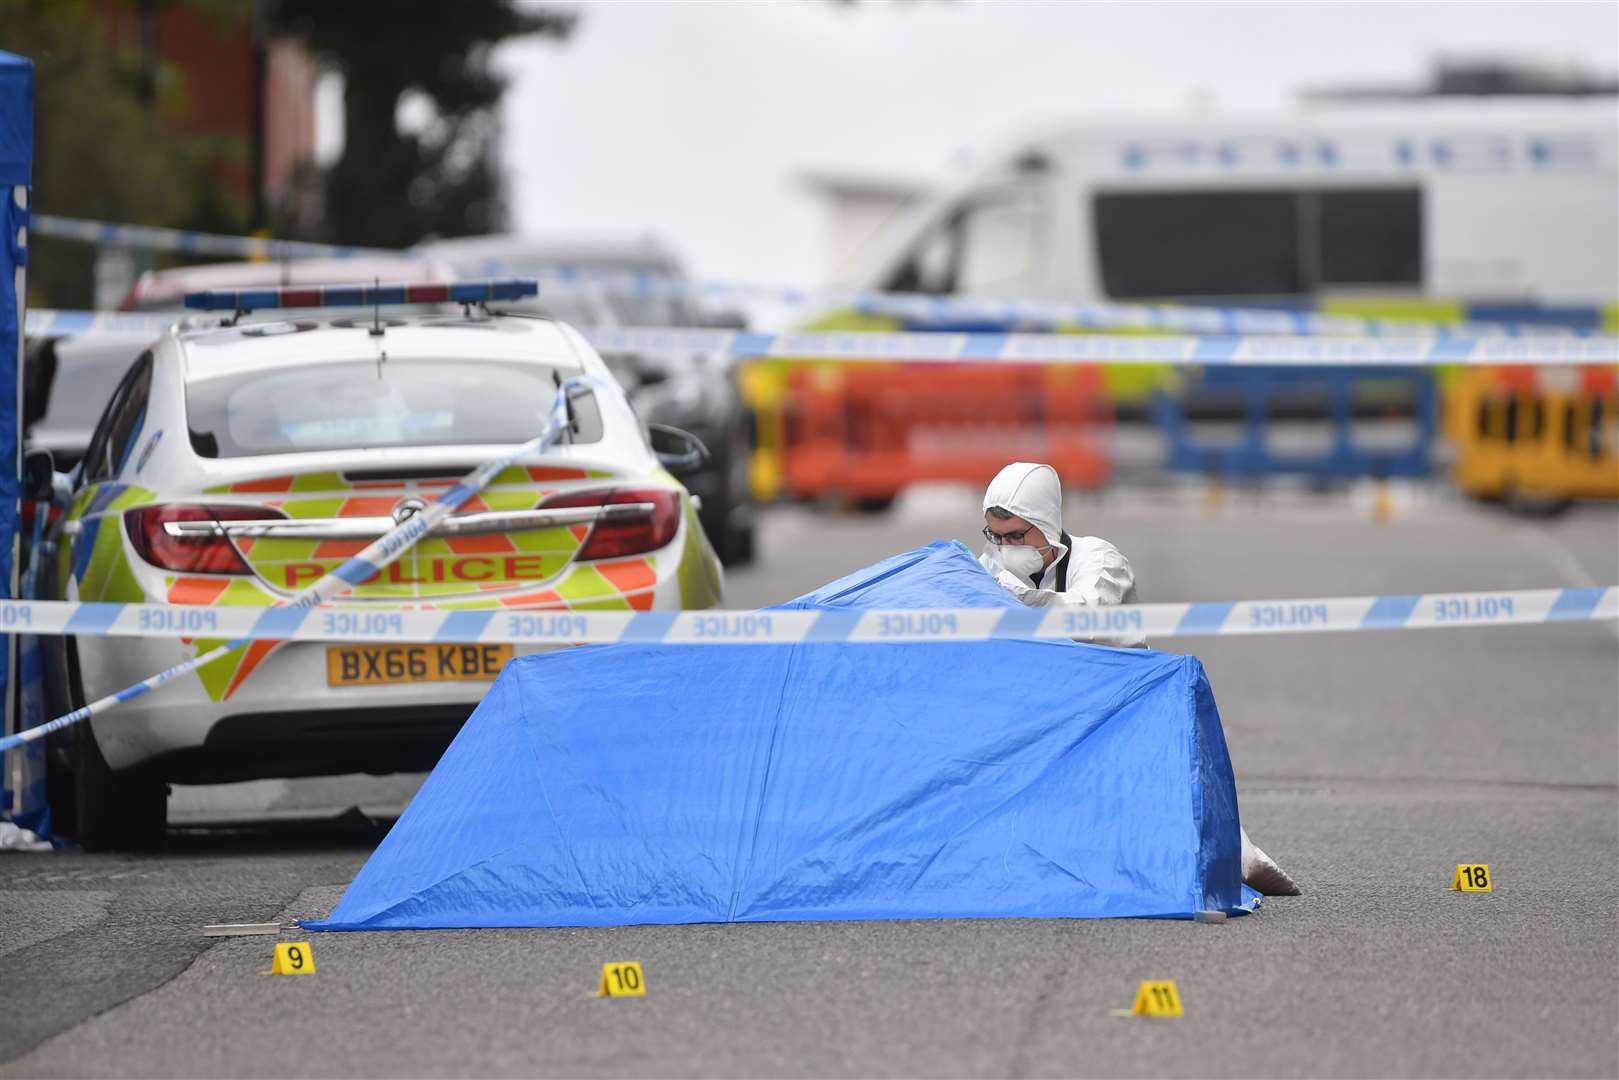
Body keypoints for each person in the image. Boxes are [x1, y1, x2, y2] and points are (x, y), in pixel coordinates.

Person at [979, 462, 1301, 897]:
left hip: (1124, 707)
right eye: (994, 537)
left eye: (1017, 536)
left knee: (1170, 805)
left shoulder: (1100, 560)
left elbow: (1085, 617)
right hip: (1045, 706)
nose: (1003, 548)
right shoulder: (989, 567)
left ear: (1047, 526)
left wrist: (1018, 599)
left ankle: (1238, 853)